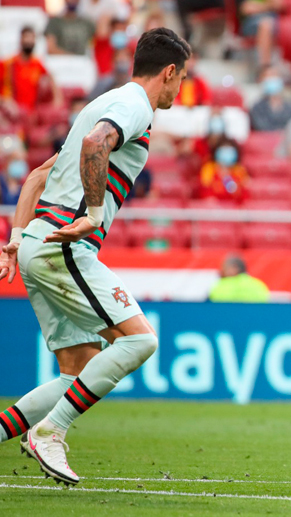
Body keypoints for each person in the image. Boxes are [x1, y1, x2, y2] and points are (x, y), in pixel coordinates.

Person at [0, 28, 190, 485]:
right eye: (182, 78)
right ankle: (50, 432)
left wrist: (17, 238)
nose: (180, 88)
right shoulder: (134, 106)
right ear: (168, 72)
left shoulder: (100, 104)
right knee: (141, 342)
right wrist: (94, 212)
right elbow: (95, 144)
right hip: (64, 246)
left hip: (38, 243)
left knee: (78, 370)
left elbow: (38, 176)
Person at [1, 27, 63, 111]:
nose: (29, 41)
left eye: (32, 38)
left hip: (31, 110)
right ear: (21, 39)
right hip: (13, 110)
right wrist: (5, 101)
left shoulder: (36, 63)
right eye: (27, 37)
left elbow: (50, 76)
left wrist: (57, 98)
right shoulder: (8, 63)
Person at [249, 67, 291, 132]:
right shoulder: (257, 108)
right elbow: (261, 127)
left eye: (274, 75)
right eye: (268, 76)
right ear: (261, 81)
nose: (272, 79)